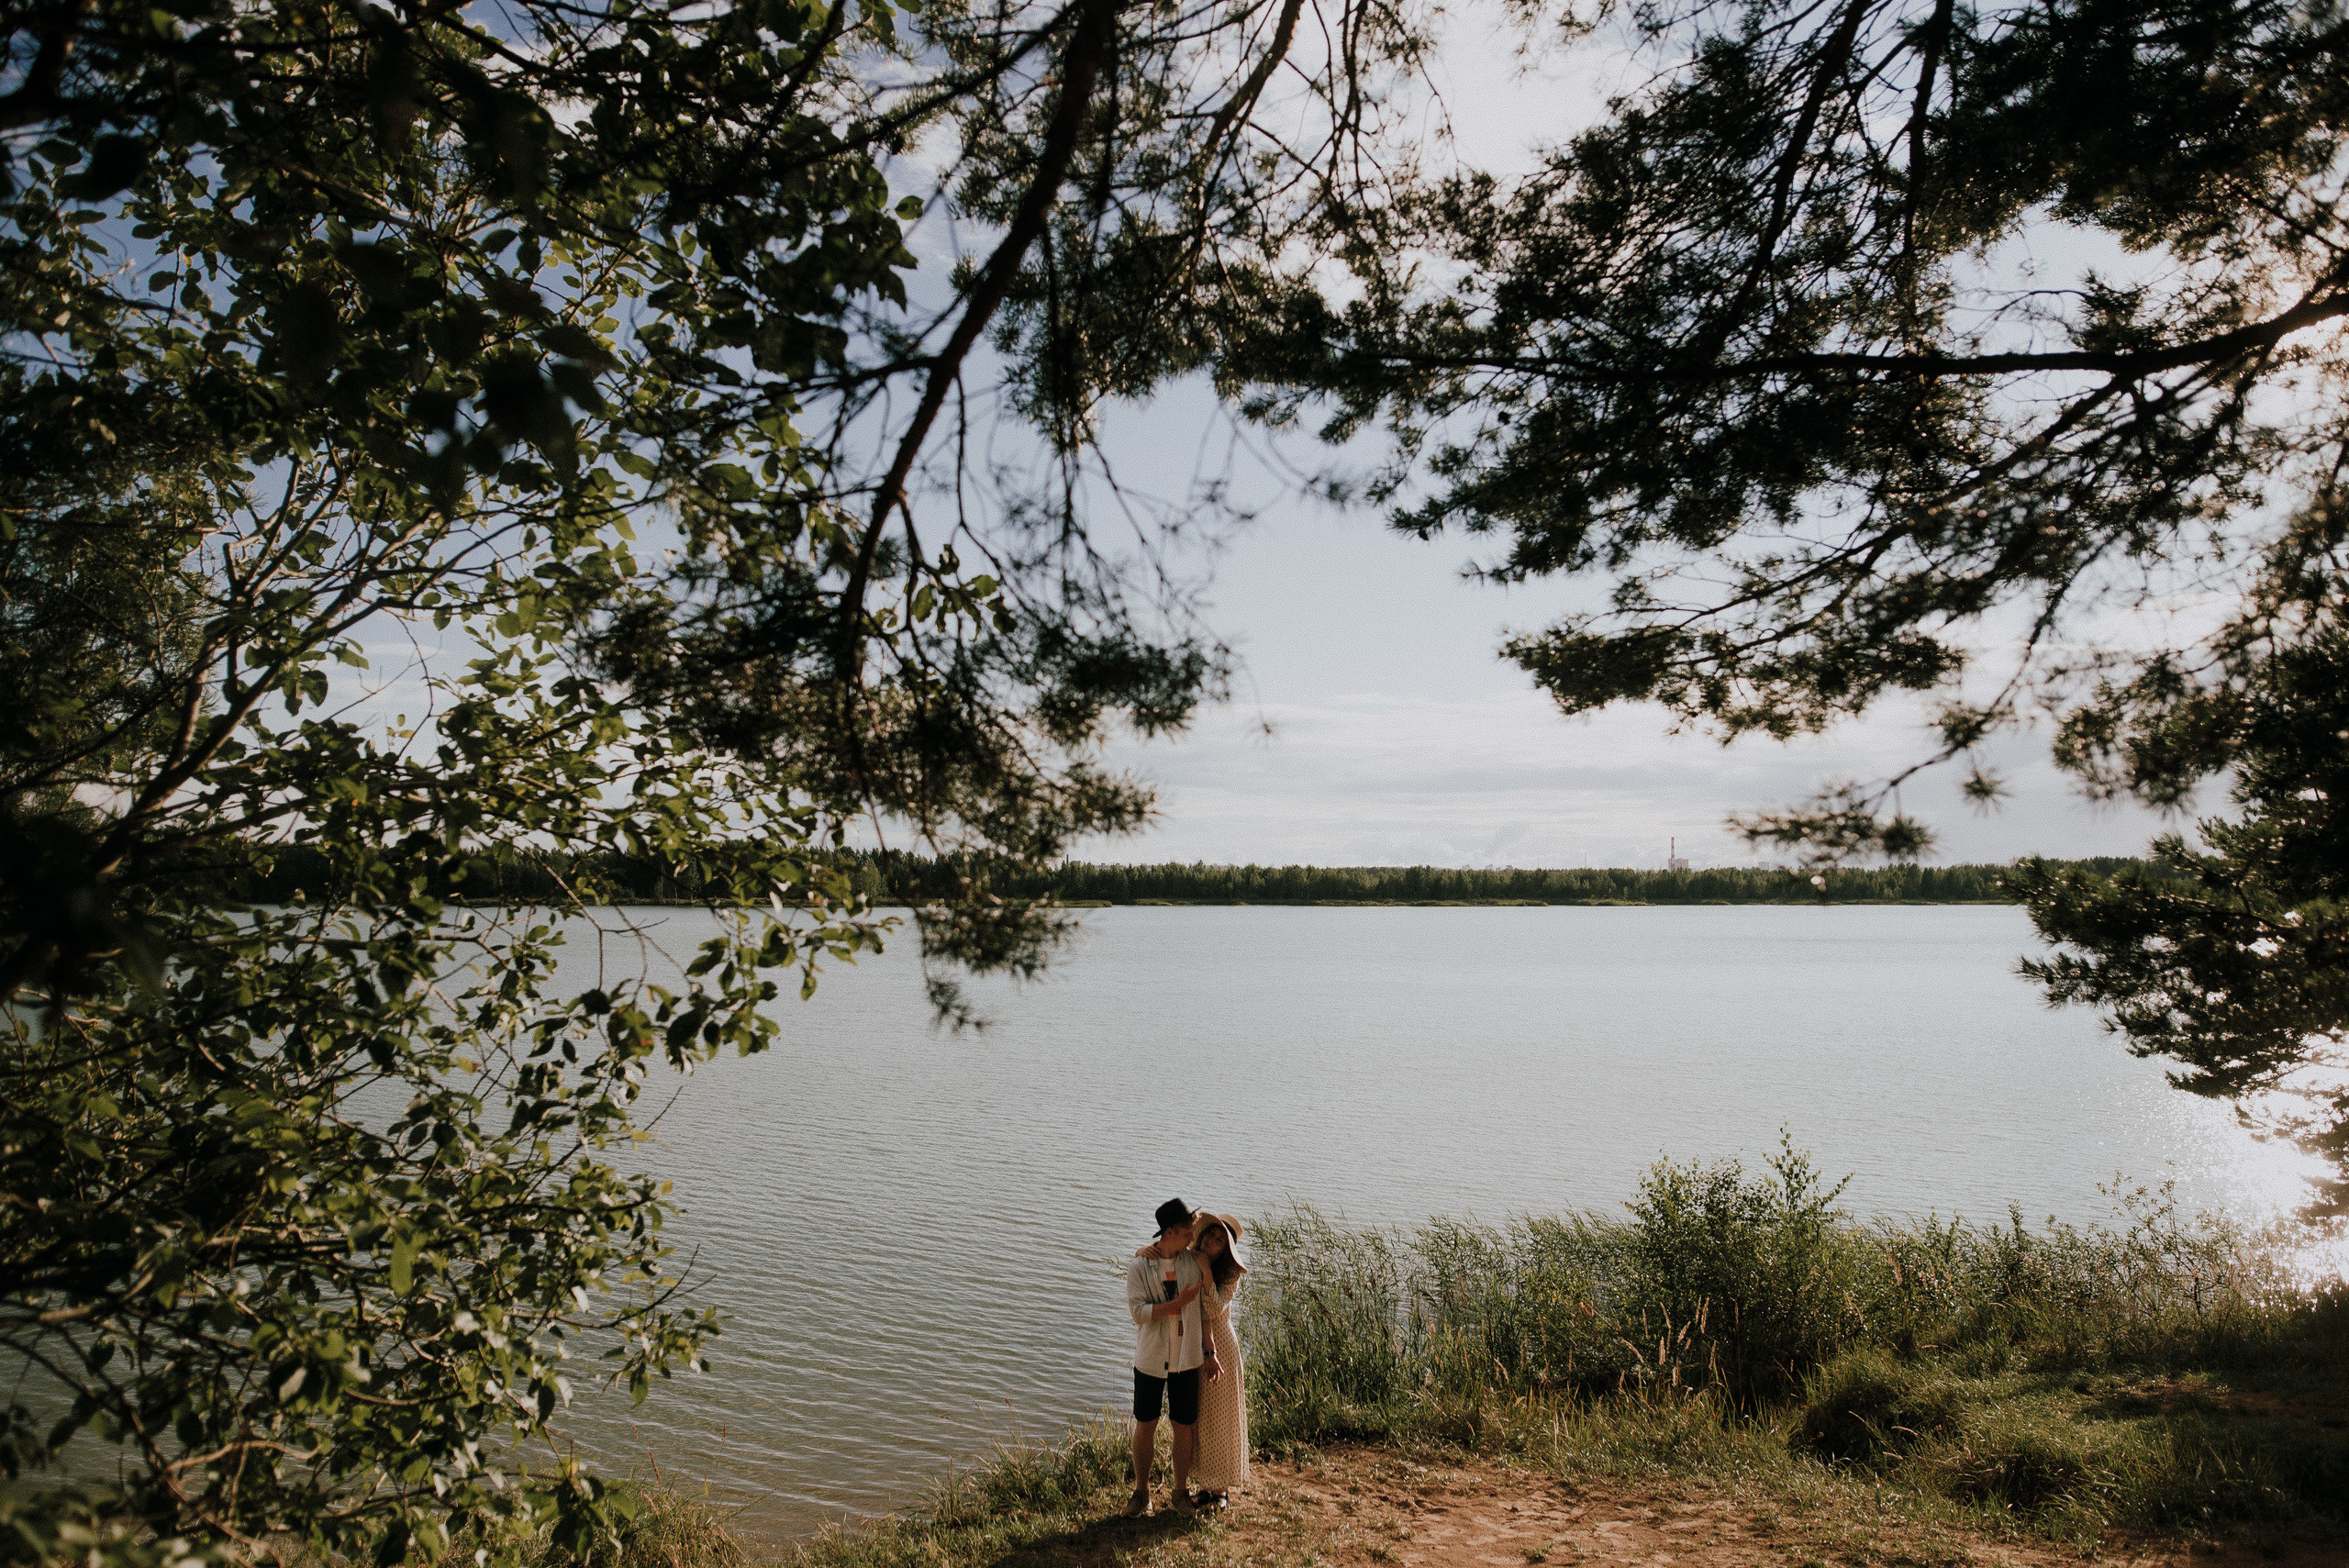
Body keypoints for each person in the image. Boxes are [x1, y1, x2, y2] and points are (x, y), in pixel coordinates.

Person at [1124, 1197, 1222, 1516]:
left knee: (1183, 1427)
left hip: (1187, 1360)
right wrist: (1176, 1303)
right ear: (1168, 1232)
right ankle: (1141, 1494)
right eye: (1186, 1233)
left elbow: (1209, 1310)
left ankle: (1180, 1494)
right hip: (1151, 1360)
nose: (1192, 1238)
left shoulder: (1194, 1263)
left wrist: (1209, 1352)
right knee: (1146, 1424)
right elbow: (1139, 1314)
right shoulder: (1140, 1265)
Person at [1188, 1214, 1250, 1510]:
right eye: (1210, 1235)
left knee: (1221, 1417)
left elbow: (1212, 1308)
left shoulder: (1229, 1275)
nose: (1212, 1241)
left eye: (1219, 1240)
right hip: (1195, 1346)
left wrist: (1205, 1272)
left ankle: (1221, 1490)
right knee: (1200, 1416)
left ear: (1227, 1249)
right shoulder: (1192, 1259)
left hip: (1221, 1349)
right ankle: (1204, 1485)